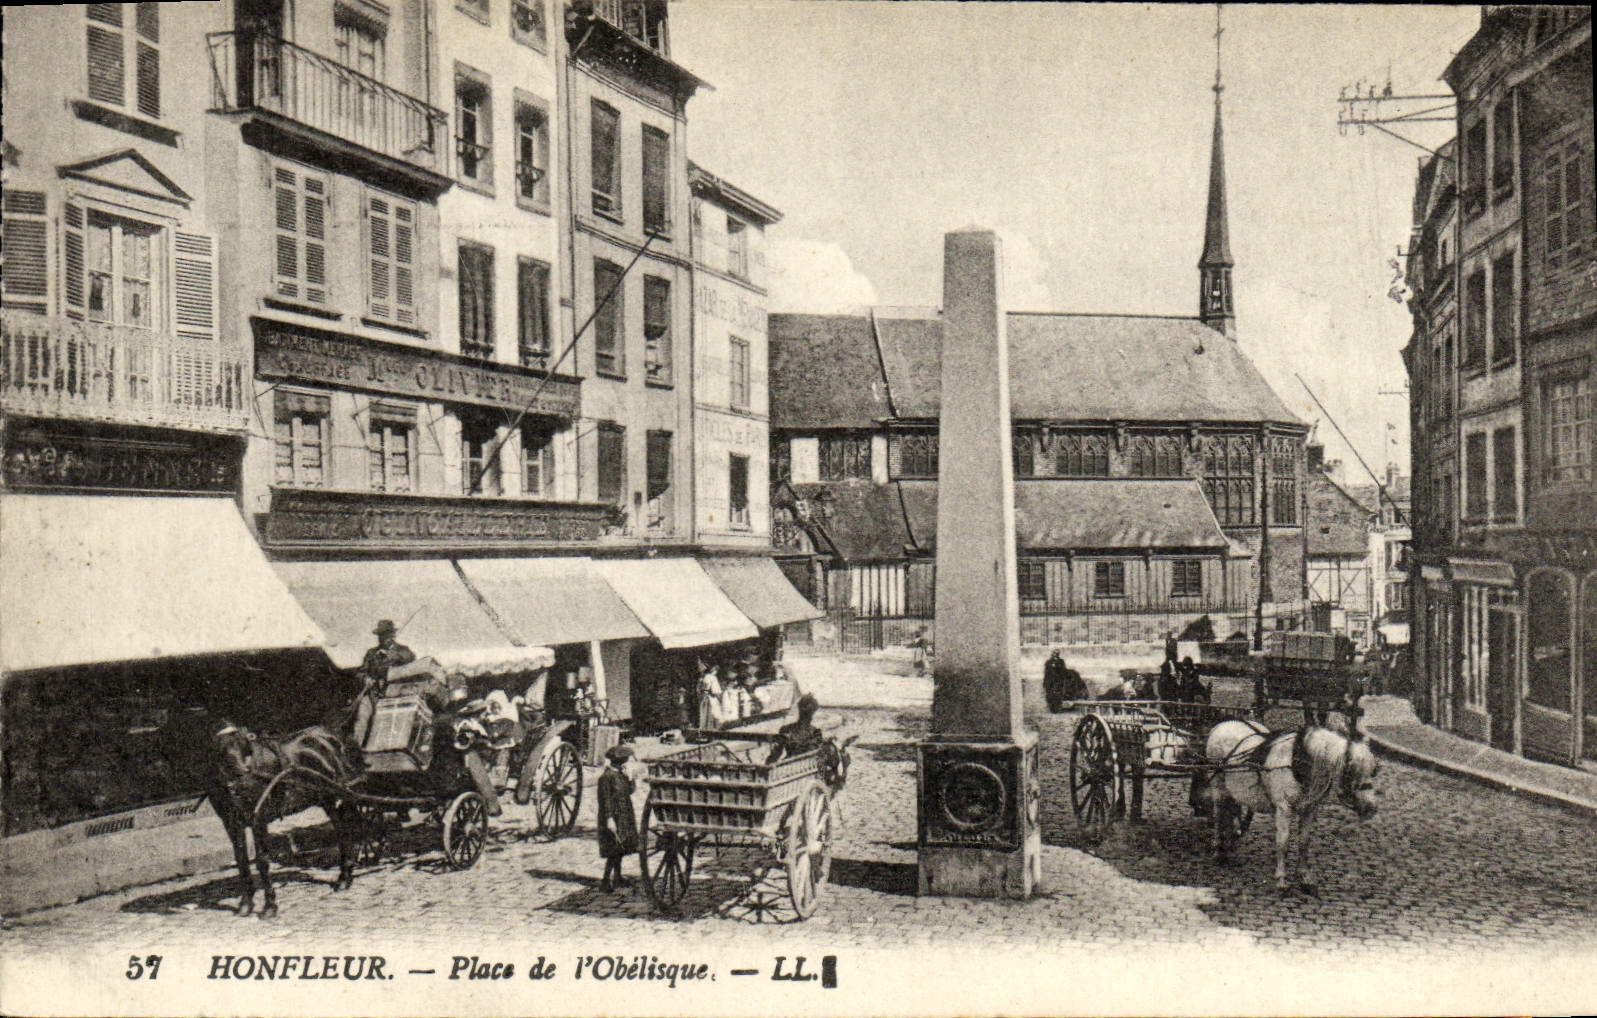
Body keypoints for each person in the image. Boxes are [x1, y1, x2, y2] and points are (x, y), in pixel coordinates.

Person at [351, 620, 417, 747]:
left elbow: (412, 665)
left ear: (393, 635)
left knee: (385, 723)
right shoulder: (371, 653)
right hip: (372, 693)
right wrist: (365, 679)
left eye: (389, 635)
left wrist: (391, 656)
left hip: (393, 695)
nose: (386, 638)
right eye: (382, 635)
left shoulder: (403, 651)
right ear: (379, 637)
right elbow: (361, 672)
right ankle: (355, 752)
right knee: (361, 719)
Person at [596, 744, 639, 893]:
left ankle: (618, 877)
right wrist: (609, 820)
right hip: (612, 817)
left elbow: (630, 791)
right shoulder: (606, 778)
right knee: (613, 850)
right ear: (618, 761)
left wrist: (630, 778)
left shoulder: (620, 775)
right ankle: (605, 881)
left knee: (620, 848)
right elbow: (605, 801)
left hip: (623, 816)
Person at [768, 694, 824, 764]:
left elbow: (776, 753)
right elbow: (776, 754)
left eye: (809, 713)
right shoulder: (786, 730)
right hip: (795, 768)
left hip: (803, 767)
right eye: (807, 713)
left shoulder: (815, 733)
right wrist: (766, 767)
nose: (808, 716)